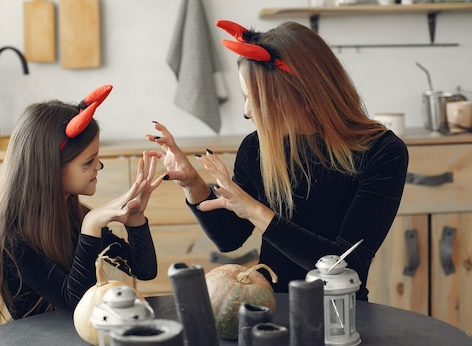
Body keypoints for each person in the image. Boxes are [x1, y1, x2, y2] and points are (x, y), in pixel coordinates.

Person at [146, 20, 408, 300]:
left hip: (339, 312)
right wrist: (193, 184)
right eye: (246, 97)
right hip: (270, 307)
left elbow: (344, 265)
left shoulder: (382, 152)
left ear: (306, 95)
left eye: (257, 99)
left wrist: (255, 210)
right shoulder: (257, 147)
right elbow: (229, 238)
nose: (247, 112)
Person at [0, 85, 163, 329]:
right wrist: (91, 226)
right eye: (88, 162)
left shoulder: (78, 217)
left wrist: (136, 220)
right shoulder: (14, 242)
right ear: (50, 169)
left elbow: (144, 270)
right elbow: (75, 302)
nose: (98, 167)